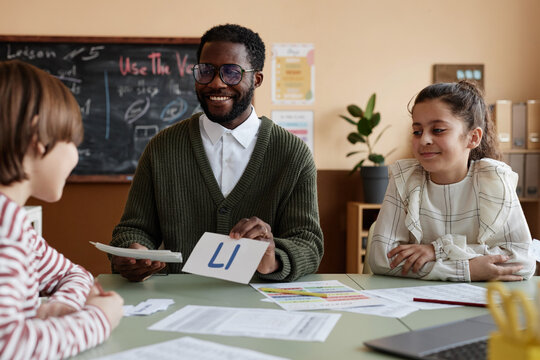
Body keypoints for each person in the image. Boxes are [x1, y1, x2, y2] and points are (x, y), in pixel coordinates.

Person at [110, 24, 323, 282]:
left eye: (232, 73)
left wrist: (273, 257)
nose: (216, 83)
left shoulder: (293, 154)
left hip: (261, 305)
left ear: (256, 79)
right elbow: (134, 228)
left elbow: (308, 244)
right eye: (206, 71)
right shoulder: (163, 147)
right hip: (179, 303)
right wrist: (134, 251)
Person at [0, 60, 124, 359]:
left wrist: (64, 307)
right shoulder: (6, 224)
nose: (76, 157)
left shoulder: (17, 225)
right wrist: (98, 318)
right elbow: (9, 347)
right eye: (72, 142)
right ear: (38, 138)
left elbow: (75, 274)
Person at [368, 80, 535, 281]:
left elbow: (523, 262)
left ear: (473, 138)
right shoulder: (405, 178)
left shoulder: (494, 179)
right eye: (417, 131)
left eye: (438, 130)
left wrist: (438, 250)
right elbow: (381, 260)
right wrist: (468, 270)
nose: (424, 140)